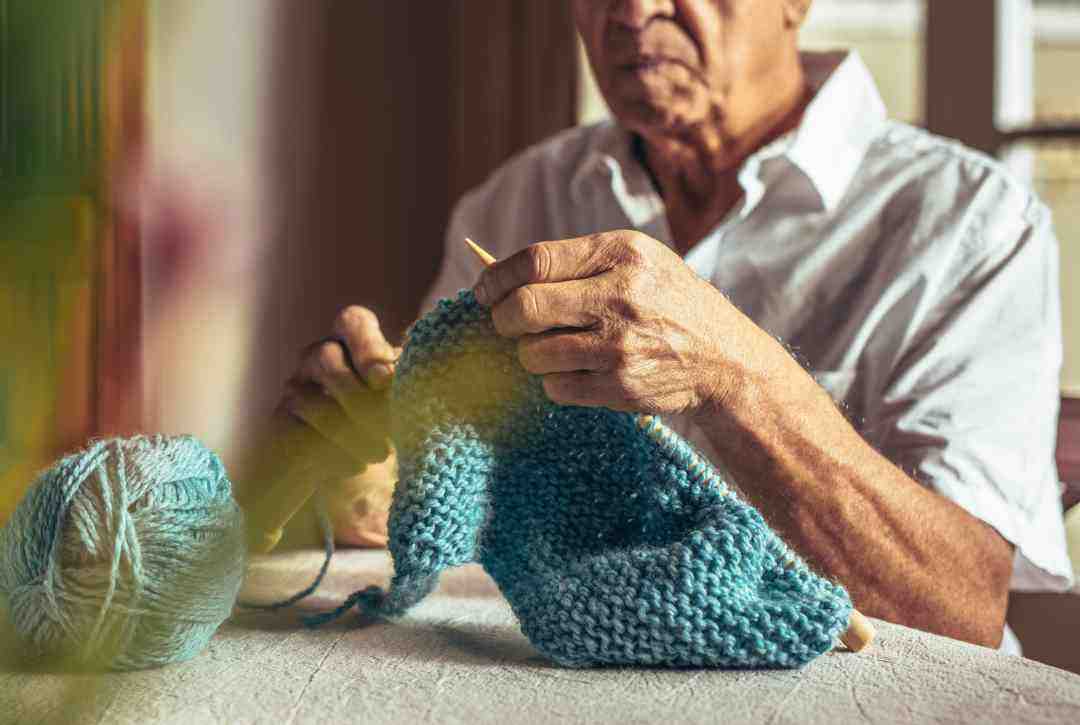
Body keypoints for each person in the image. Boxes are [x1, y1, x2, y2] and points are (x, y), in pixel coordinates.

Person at [278, 0, 1073, 651]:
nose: (630, 12)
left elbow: (961, 611)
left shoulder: (971, 222)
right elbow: (456, 506)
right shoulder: (519, 198)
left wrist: (735, 377)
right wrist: (383, 462)